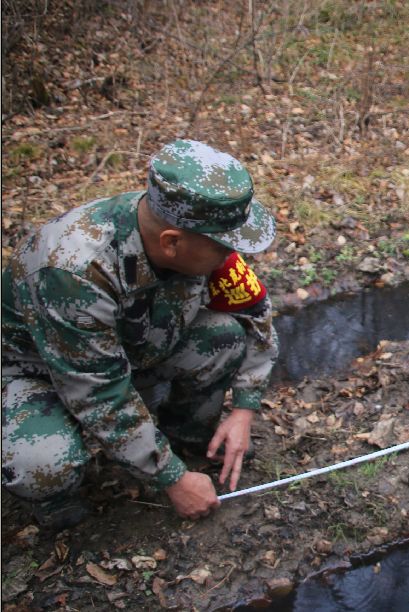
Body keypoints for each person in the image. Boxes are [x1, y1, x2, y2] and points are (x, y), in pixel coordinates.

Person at [2, 139, 279, 530]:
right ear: (171, 243)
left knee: (223, 337)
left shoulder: (197, 229)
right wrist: (172, 477)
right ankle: (55, 499)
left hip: (123, 348)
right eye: (225, 247)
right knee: (44, 464)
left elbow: (255, 316)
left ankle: (185, 435)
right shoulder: (72, 270)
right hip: (35, 370)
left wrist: (245, 407)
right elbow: (97, 390)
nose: (234, 256)